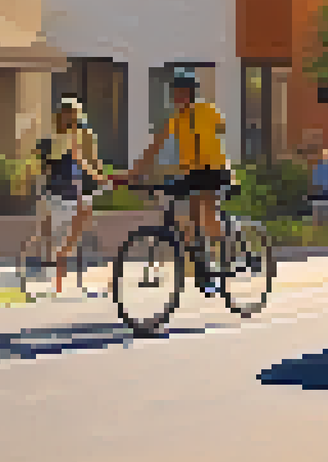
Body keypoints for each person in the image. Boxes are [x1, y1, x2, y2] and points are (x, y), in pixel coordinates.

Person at [128, 75, 233, 284]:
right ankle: (201, 264)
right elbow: (154, 147)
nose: (179, 97)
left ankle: (223, 254)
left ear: (192, 94)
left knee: (207, 208)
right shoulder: (174, 121)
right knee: (187, 218)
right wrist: (135, 172)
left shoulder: (207, 111)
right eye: (176, 93)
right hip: (191, 173)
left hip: (214, 169)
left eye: (183, 92)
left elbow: (220, 128)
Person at [40, 95, 111, 296]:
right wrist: (100, 177)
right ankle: (62, 276)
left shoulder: (67, 135)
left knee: (77, 231)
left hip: (71, 188)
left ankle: (62, 281)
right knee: (75, 231)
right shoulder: (64, 137)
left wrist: (99, 176)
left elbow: (88, 159)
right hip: (67, 189)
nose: (70, 118)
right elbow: (83, 160)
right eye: (68, 114)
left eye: (72, 114)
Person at [307, 145, 328, 226]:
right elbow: (316, 179)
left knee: (327, 213)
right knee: (321, 213)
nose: (324, 155)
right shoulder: (319, 166)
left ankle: (326, 224)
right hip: (322, 193)